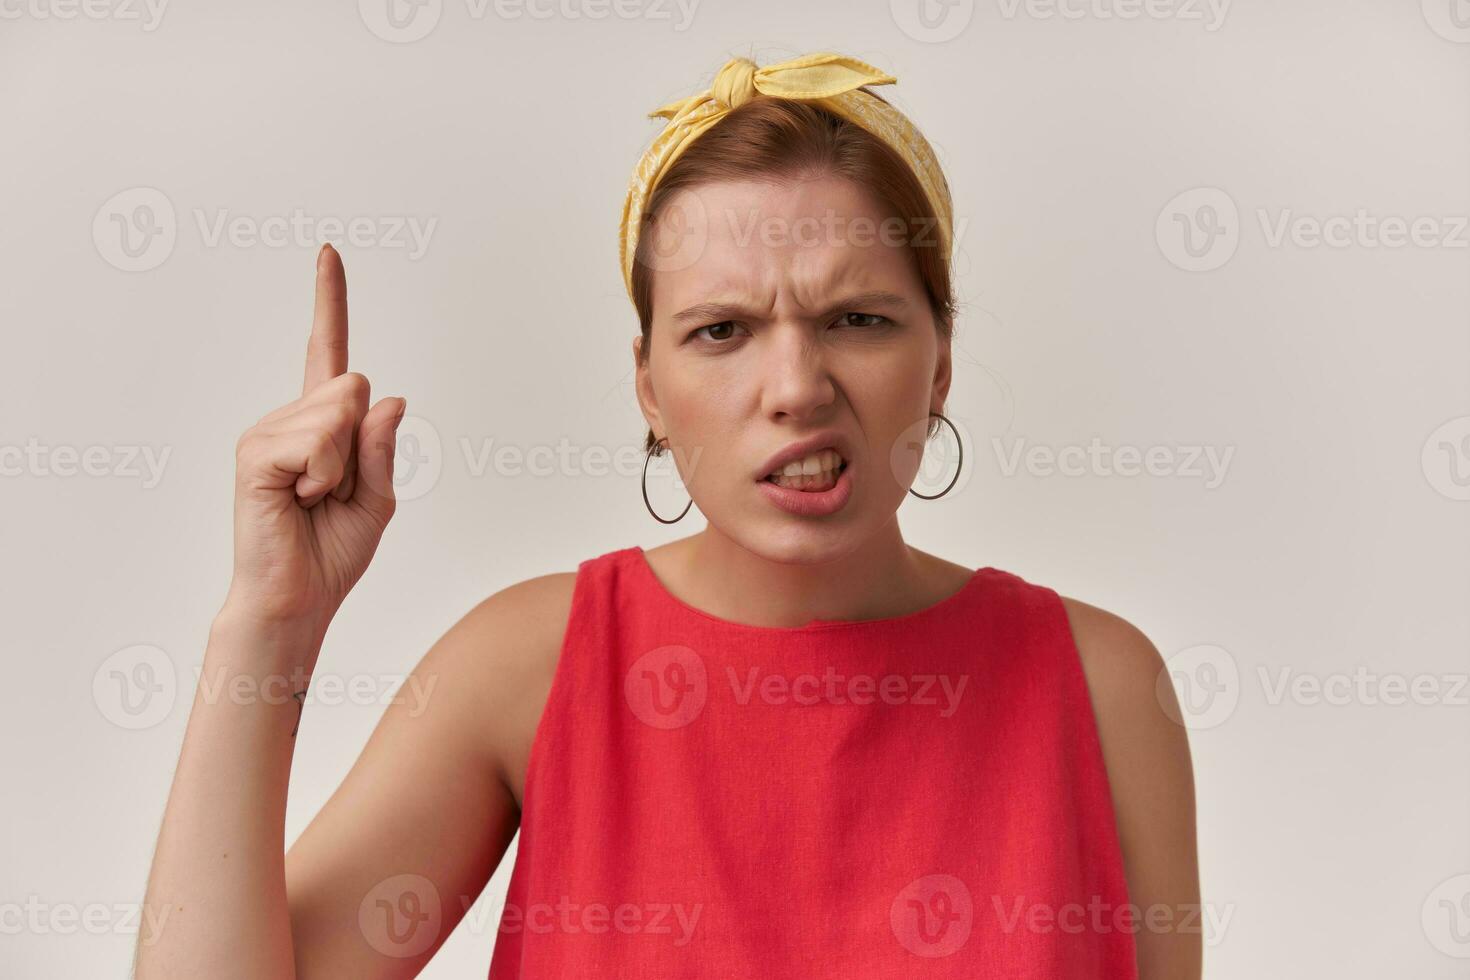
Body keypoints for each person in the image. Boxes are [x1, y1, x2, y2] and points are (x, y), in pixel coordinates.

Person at [134, 51, 1200, 979]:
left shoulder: (1103, 688)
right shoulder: (532, 664)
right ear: (648, 385)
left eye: (860, 318)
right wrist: (268, 618)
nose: (796, 385)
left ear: (941, 363)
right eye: (723, 330)